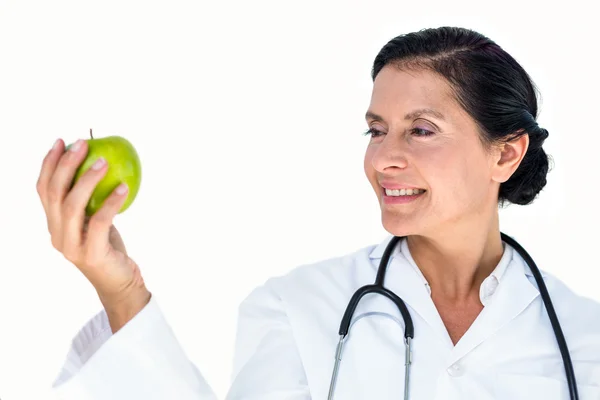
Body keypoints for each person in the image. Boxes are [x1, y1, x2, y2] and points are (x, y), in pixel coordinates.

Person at [37, 26, 600, 400]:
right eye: (376, 131)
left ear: (506, 151)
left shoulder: (586, 339)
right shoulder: (300, 307)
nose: (384, 158)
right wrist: (122, 292)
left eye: (421, 130)